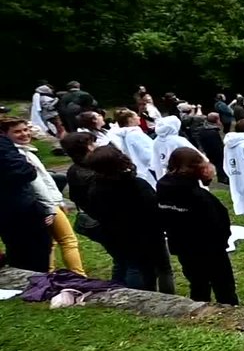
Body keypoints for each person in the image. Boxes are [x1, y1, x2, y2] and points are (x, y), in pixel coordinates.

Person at [157, 148, 239, 305]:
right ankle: (229, 312)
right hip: (209, 248)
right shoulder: (197, 196)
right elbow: (218, 221)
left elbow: (162, 216)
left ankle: (198, 309)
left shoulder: (163, 187)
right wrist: (222, 241)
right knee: (223, 286)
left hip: (182, 245)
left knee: (197, 283)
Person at [1, 118, 83, 275]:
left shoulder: (25, 151)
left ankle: (47, 274)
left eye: (25, 129)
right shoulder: (17, 154)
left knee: (49, 242)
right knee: (68, 240)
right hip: (44, 204)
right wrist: (52, 205)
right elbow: (37, 184)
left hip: (42, 204)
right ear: (5, 135)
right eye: (17, 132)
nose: (24, 134)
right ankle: (78, 274)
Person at [84, 145, 171, 292]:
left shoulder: (95, 188)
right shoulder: (136, 184)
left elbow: (95, 212)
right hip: (149, 234)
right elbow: (155, 208)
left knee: (137, 266)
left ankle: (143, 294)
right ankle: (166, 297)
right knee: (162, 268)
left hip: (119, 234)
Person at [0, 120, 52, 272]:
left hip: (13, 207)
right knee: (32, 251)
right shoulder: (3, 145)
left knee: (20, 248)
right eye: (17, 131)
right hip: (17, 207)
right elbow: (24, 170)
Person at [108, 109, 159, 187]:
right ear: (130, 120)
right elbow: (146, 153)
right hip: (148, 169)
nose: (139, 117)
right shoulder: (134, 135)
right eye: (136, 116)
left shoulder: (129, 134)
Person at [152, 115, 196, 183]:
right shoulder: (179, 140)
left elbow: (156, 161)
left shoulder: (156, 141)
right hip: (183, 172)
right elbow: (195, 154)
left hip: (165, 174)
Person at [192, 113, 228, 184]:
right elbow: (217, 145)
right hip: (215, 152)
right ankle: (222, 178)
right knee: (219, 165)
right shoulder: (213, 132)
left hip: (207, 150)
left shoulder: (202, 129)